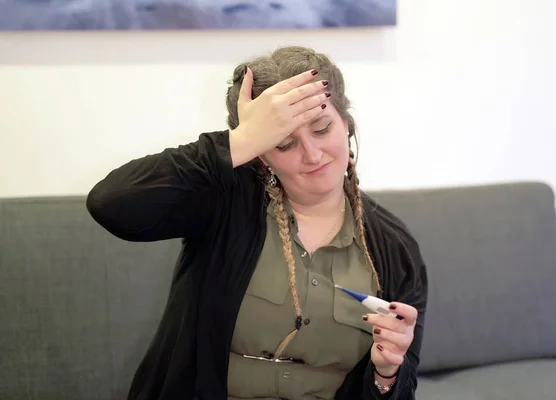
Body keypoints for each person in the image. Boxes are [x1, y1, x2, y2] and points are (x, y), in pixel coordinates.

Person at [86, 45, 428, 400]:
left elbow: (400, 391)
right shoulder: (225, 203)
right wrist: (240, 141)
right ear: (262, 157)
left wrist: (386, 374)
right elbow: (110, 204)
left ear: (347, 124)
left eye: (322, 128)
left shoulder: (394, 248)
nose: (312, 154)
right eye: (284, 143)